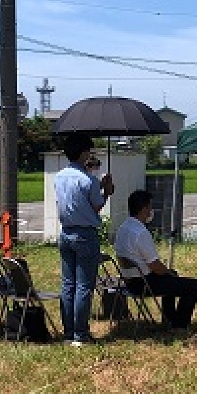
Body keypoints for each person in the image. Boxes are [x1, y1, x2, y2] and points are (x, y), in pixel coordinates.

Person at [54, 132, 114, 346]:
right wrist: (106, 191)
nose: (90, 155)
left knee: (68, 284)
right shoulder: (88, 179)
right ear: (82, 152)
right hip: (85, 234)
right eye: (88, 150)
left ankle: (68, 332)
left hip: (65, 232)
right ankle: (81, 334)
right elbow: (96, 206)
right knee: (84, 286)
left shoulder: (59, 176)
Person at [114, 189, 197, 334]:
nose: (151, 211)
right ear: (144, 209)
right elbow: (155, 266)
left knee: (171, 276)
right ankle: (179, 326)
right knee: (193, 285)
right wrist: (167, 272)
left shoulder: (123, 228)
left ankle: (170, 319)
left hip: (129, 281)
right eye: (150, 207)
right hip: (144, 283)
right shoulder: (141, 232)